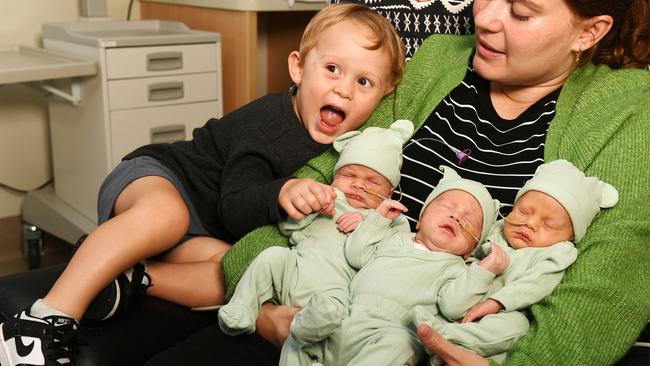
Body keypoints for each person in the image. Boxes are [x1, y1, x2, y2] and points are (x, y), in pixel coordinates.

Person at [144, 1, 650, 365]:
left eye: (520, 11)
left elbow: (613, 276)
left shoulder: (627, 107)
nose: (485, 16)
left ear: (589, 31)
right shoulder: (437, 60)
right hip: (320, 306)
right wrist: (263, 307)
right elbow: (324, 179)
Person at [0, 4, 406, 366]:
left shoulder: (347, 147)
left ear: (382, 95)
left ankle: (128, 275)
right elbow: (234, 205)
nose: (343, 89)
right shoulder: (269, 123)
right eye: (332, 69)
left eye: (364, 83)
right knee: (167, 216)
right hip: (160, 178)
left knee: (233, 270)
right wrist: (281, 193)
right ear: (298, 67)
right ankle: (39, 322)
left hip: (200, 226)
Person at [218, 119, 413, 365]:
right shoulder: (325, 198)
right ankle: (242, 307)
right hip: (295, 269)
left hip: (333, 292)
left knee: (331, 315)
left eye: (372, 182)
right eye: (348, 174)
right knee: (272, 256)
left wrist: (371, 224)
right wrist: (312, 208)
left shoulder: (390, 219)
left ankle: (310, 348)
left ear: (390, 193)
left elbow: (391, 259)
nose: (358, 184)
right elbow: (288, 227)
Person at [415, 159, 619, 364]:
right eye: (524, 211)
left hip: (505, 310)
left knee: (516, 326)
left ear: (569, 237)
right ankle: (426, 338)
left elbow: (536, 283)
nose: (529, 223)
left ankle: (448, 339)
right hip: (462, 294)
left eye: (549, 225)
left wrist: (497, 302)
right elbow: (468, 249)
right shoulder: (498, 229)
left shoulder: (558, 253)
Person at [335, 165, 500, 366]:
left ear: (471, 249)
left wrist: (484, 271)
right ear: (420, 220)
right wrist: (377, 219)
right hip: (348, 312)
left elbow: (453, 307)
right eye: (447, 207)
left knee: (401, 345)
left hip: (394, 331)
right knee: (314, 315)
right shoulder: (395, 235)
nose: (456, 217)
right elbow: (356, 255)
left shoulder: (458, 270)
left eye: (469, 221)